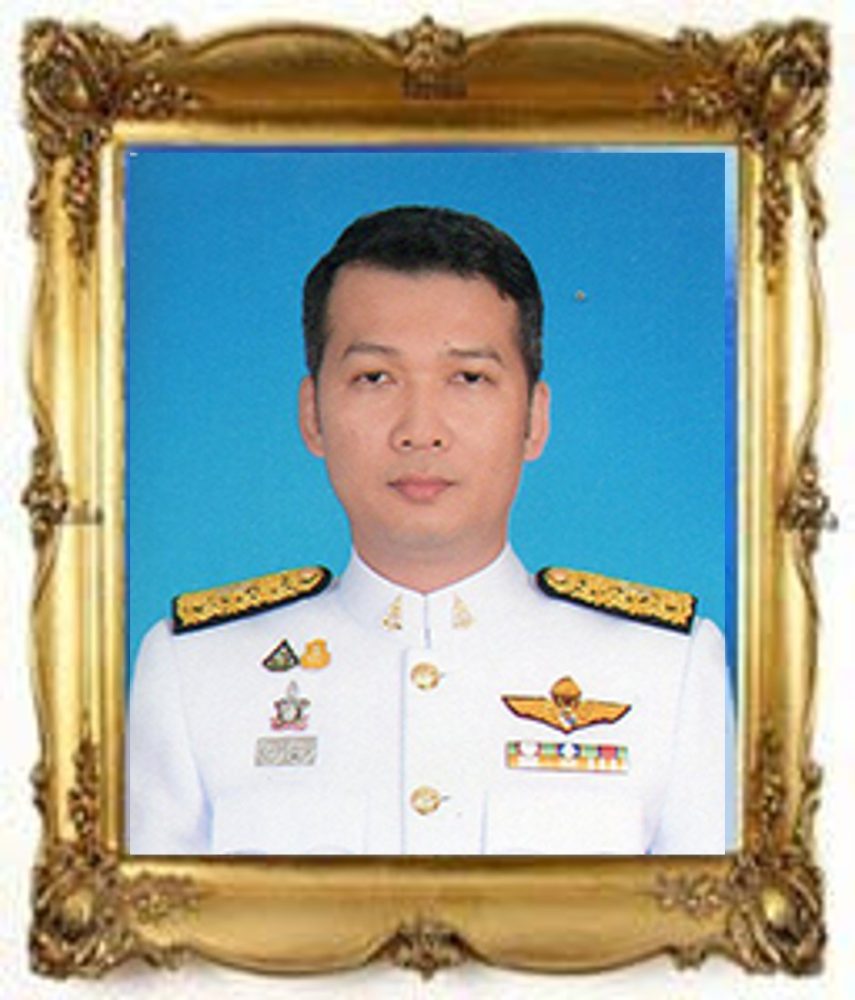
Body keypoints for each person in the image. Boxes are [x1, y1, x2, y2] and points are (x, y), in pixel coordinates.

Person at [128, 205, 730, 856]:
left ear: (533, 419)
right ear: (313, 415)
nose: (420, 430)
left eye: (468, 378)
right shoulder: (195, 671)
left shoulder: (666, 668)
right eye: (374, 378)